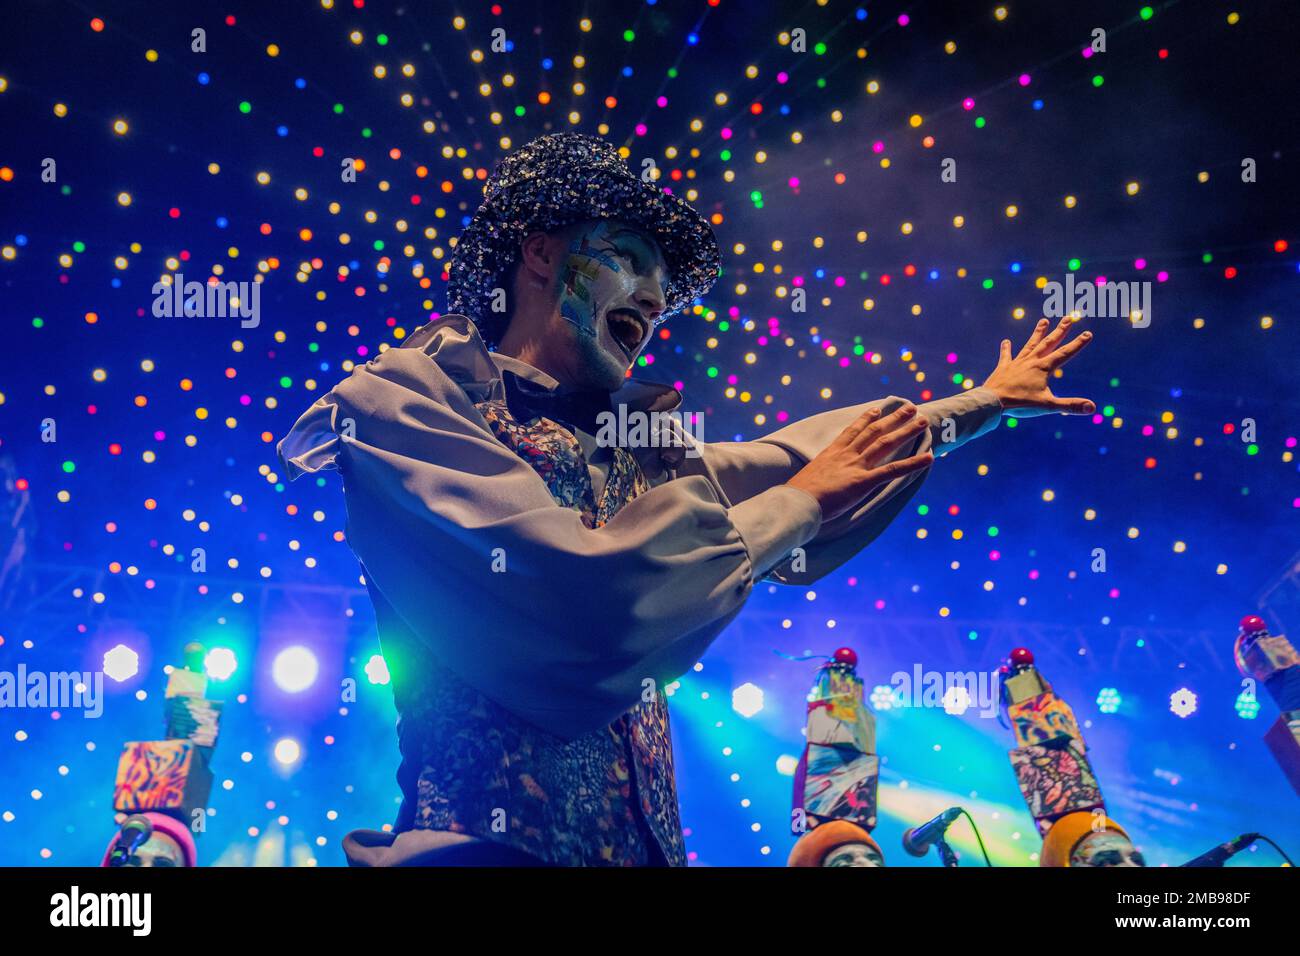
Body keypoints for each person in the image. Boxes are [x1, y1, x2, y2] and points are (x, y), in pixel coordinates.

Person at [279, 132, 1095, 867]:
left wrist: (980, 404)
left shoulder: (639, 448)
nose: (655, 299)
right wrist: (801, 503)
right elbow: (577, 595)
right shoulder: (410, 399)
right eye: (629, 258)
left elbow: (798, 455)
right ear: (538, 254)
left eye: (665, 291)